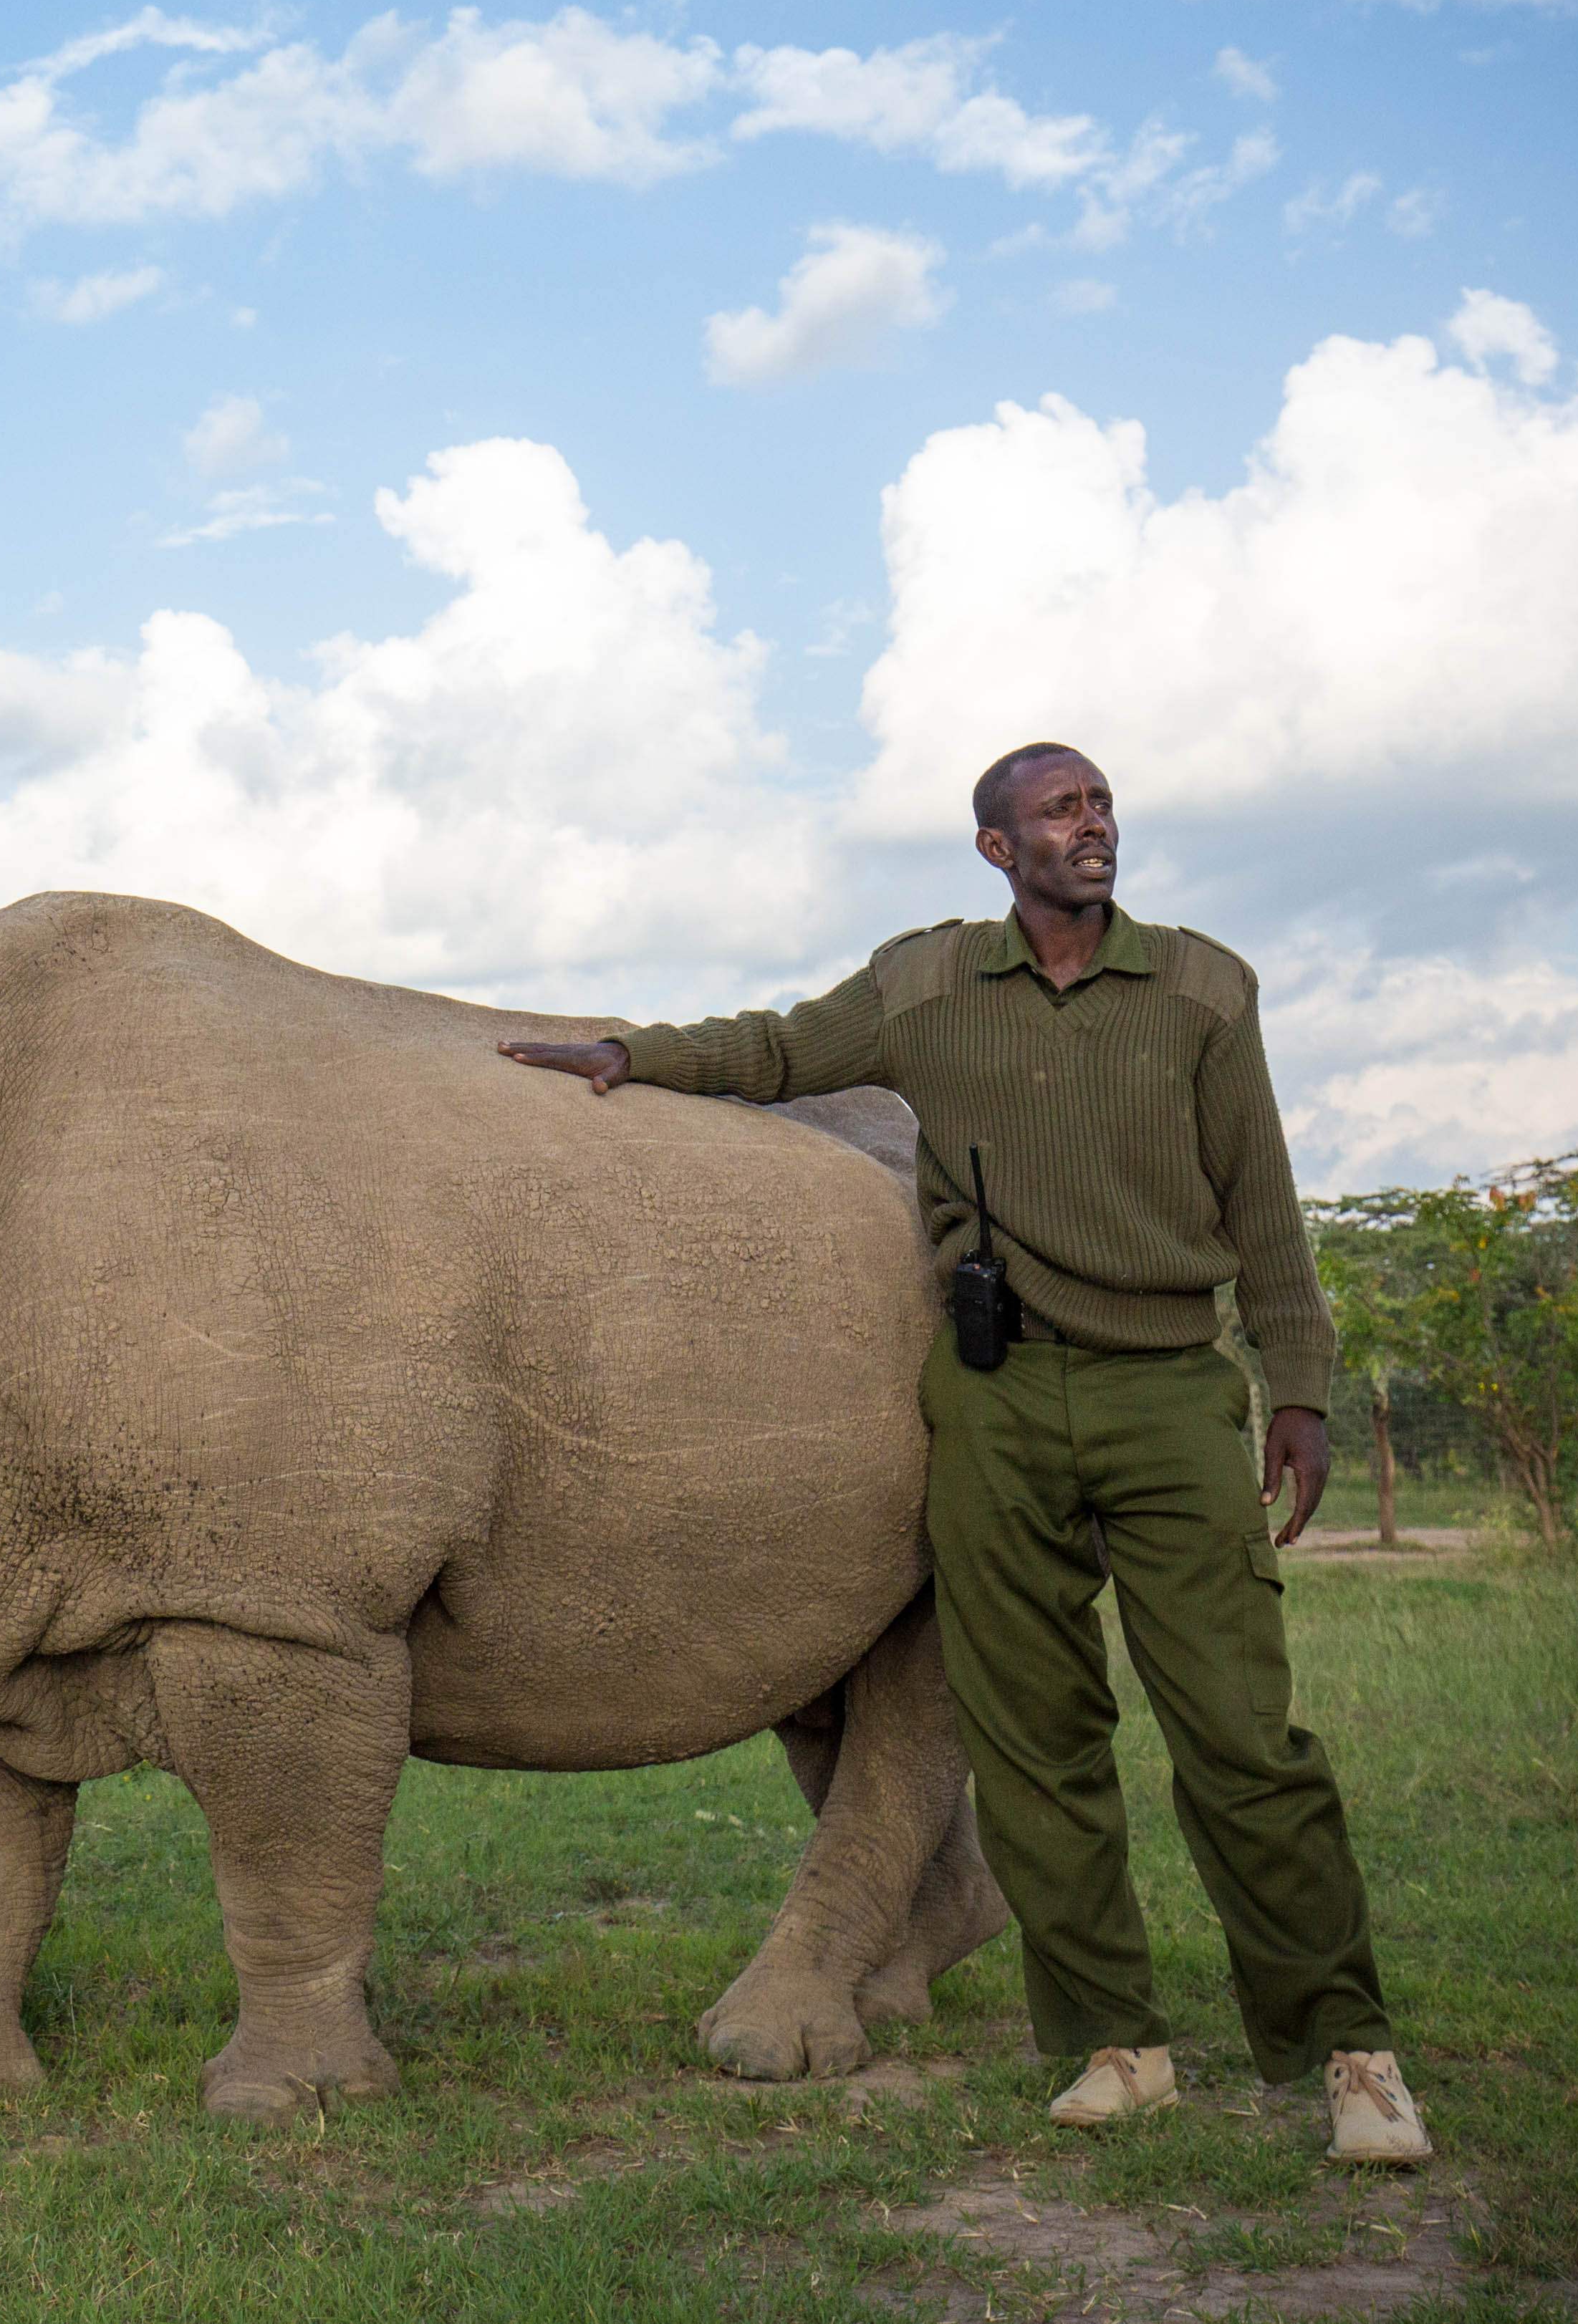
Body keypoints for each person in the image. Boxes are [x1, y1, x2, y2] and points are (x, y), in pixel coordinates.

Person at [500, 743, 1433, 2165]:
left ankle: (1344, 2051)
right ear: (996, 849)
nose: (1091, 825)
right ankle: (1110, 2045)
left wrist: (1294, 1383)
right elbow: (775, 1049)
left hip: (1169, 1390)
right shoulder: (927, 984)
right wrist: (630, 1056)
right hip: (995, 1401)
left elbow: (1263, 1200)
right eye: (1060, 809)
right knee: (1034, 1740)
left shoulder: (1197, 985)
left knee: (1242, 1739)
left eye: (1101, 803)